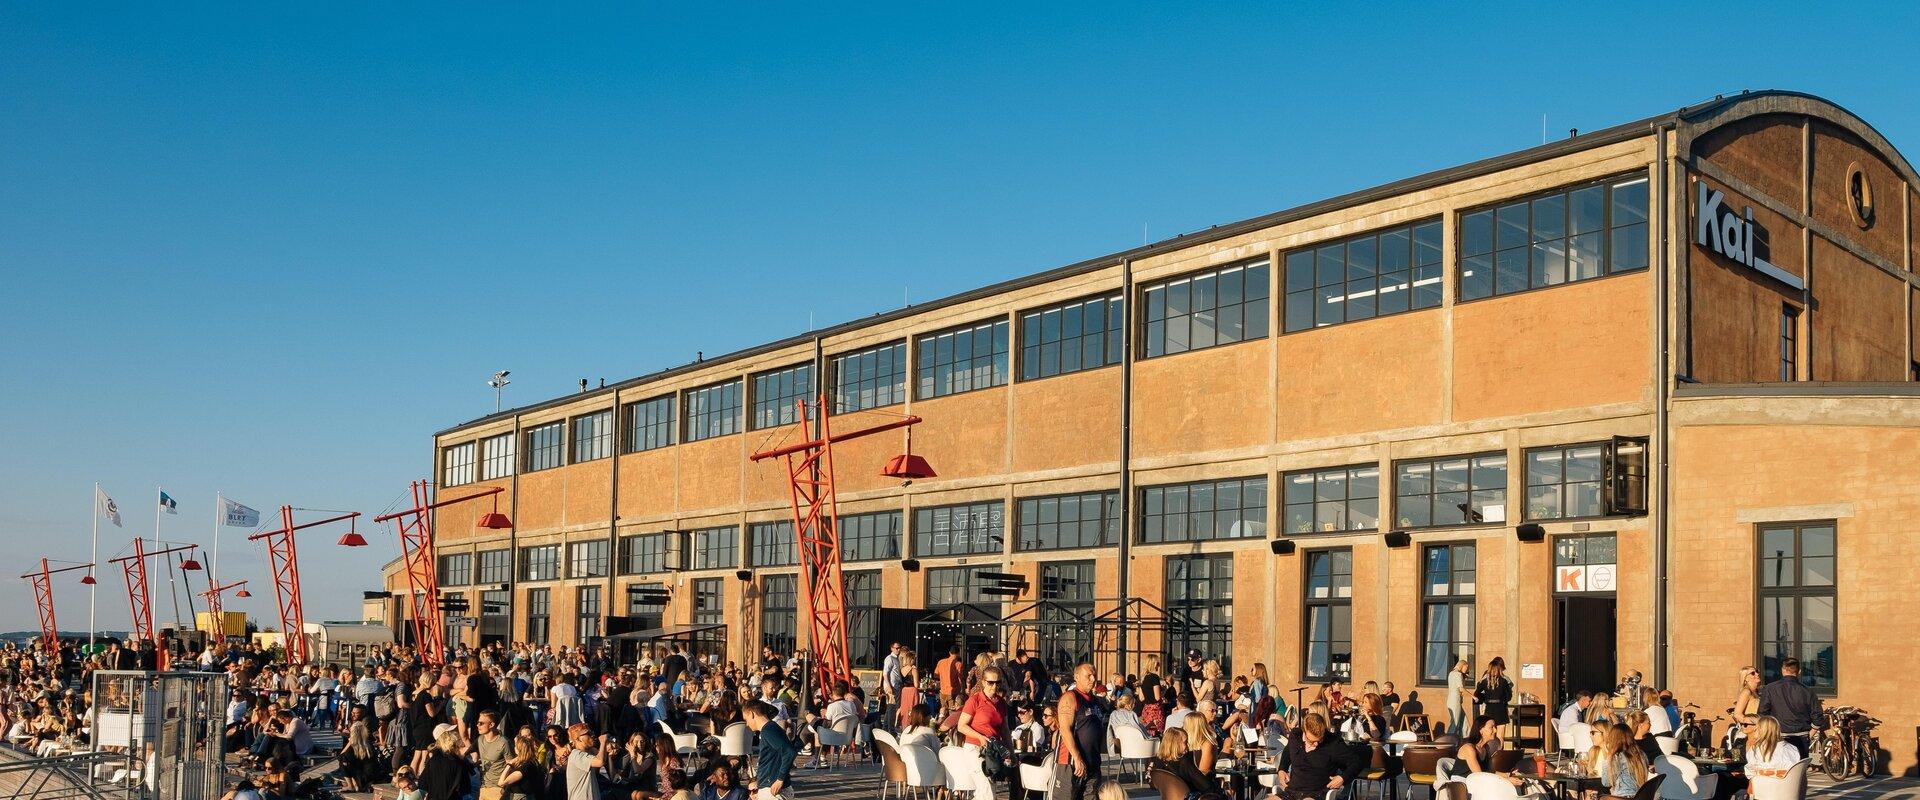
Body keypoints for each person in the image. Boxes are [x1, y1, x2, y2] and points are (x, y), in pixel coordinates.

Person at [1276, 713, 1362, 800]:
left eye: (1320, 740)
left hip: (1318, 793)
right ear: (1304, 732)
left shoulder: (1333, 742)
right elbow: (1287, 751)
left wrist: (1342, 778)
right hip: (1292, 791)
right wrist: (1282, 768)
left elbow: (1356, 763)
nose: (1316, 744)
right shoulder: (1295, 736)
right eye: (1312, 741)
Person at [955, 666, 1011, 799]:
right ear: (984, 682)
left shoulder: (1001, 702)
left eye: (997, 682)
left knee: (991, 790)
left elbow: (1005, 729)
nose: (994, 686)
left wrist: (1011, 752)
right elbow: (961, 726)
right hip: (975, 748)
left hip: (993, 750)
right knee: (986, 789)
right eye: (991, 682)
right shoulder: (974, 700)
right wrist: (980, 737)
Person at [1053, 663, 1106, 800]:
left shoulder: (1096, 701)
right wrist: (1077, 758)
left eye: (1094, 675)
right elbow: (1065, 730)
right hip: (1071, 761)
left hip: (1092, 761)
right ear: (1076, 677)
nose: (1093, 679)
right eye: (1088, 676)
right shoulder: (1070, 698)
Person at [1757, 659, 1822, 757]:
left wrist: (1767, 734)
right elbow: (1818, 717)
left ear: (1782, 670)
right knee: (1799, 766)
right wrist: (1809, 735)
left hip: (1777, 737)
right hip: (1801, 738)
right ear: (1799, 671)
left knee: (1778, 765)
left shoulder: (1770, 689)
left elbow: (1762, 714)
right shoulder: (1808, 691)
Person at [1148, 727, 1223, 800]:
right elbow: (1206, 786)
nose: (1188, 745)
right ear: (1175, 744)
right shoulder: (1183, 762)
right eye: (1185, 742)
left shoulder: (1157, 761)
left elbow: (1153, 785)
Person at [743, 700, 796, 800]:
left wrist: (780, 779)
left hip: (772, 789)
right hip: (770, 785)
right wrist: (758, 782)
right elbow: (771, 759)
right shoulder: (770, 728)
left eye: (746, 719)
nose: (747, 724)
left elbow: (789, 752)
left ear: (751, 714)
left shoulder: (768, 730)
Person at [1592, 723, 1648, 798]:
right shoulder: (1641, 754)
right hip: (1640, 796)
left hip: (1622, 797)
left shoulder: (1616, 757)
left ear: (1613, 738)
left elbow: (1606, 783)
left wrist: (1607, 758)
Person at [421, 726, 471, 800]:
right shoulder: (457, 762)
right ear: (447, 737)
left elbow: (422, 784)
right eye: (453, 732)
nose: (456, 733)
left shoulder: (432, 760)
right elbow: (465, 788)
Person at [1743, 716, 1800, 780]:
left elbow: (1750, 776)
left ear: (1760, 730)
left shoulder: (1755, 750)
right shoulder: (1792, 749)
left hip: (1763, 785)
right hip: (1788, 785)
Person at [566, 723, 610, 800]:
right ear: (578, 738)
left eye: (591, 732)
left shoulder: (586, 753)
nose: (592, 735)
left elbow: (600, 756)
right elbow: (600, 762)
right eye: (588, 734)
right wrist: (603, 742)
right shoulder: (577, 755)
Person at [475, 710, 512, 800]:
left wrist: (503, 785)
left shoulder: (504, 742)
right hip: (483, 786)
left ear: (491, 725)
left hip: (497, 788)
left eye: (481, 723)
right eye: (478, 722)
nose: (477, 725)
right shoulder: (480, 739)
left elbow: (511, 765)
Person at [1474, 657, 1514, 727]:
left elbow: (1477, 693)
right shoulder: (1504, 680)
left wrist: (1485, 698)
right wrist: (1503, 700)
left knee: (1489, 730)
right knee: (1500, 732)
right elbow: (1509, 696)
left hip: (1488, 708)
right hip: (1501, 708)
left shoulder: (1484, 680)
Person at [1446, 658, 1470, 736]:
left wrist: (1464, 678)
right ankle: (1449, 739)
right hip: (1455, 700)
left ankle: (1464, 738)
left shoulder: (1451, 673)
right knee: (1455, 722)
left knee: (1464, 722)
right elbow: (1461, 689)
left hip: (1451, 700)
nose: (1467, 670)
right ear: (1462, 665)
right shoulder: (1458, 674)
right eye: (1466, 667)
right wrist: (1473, 697)